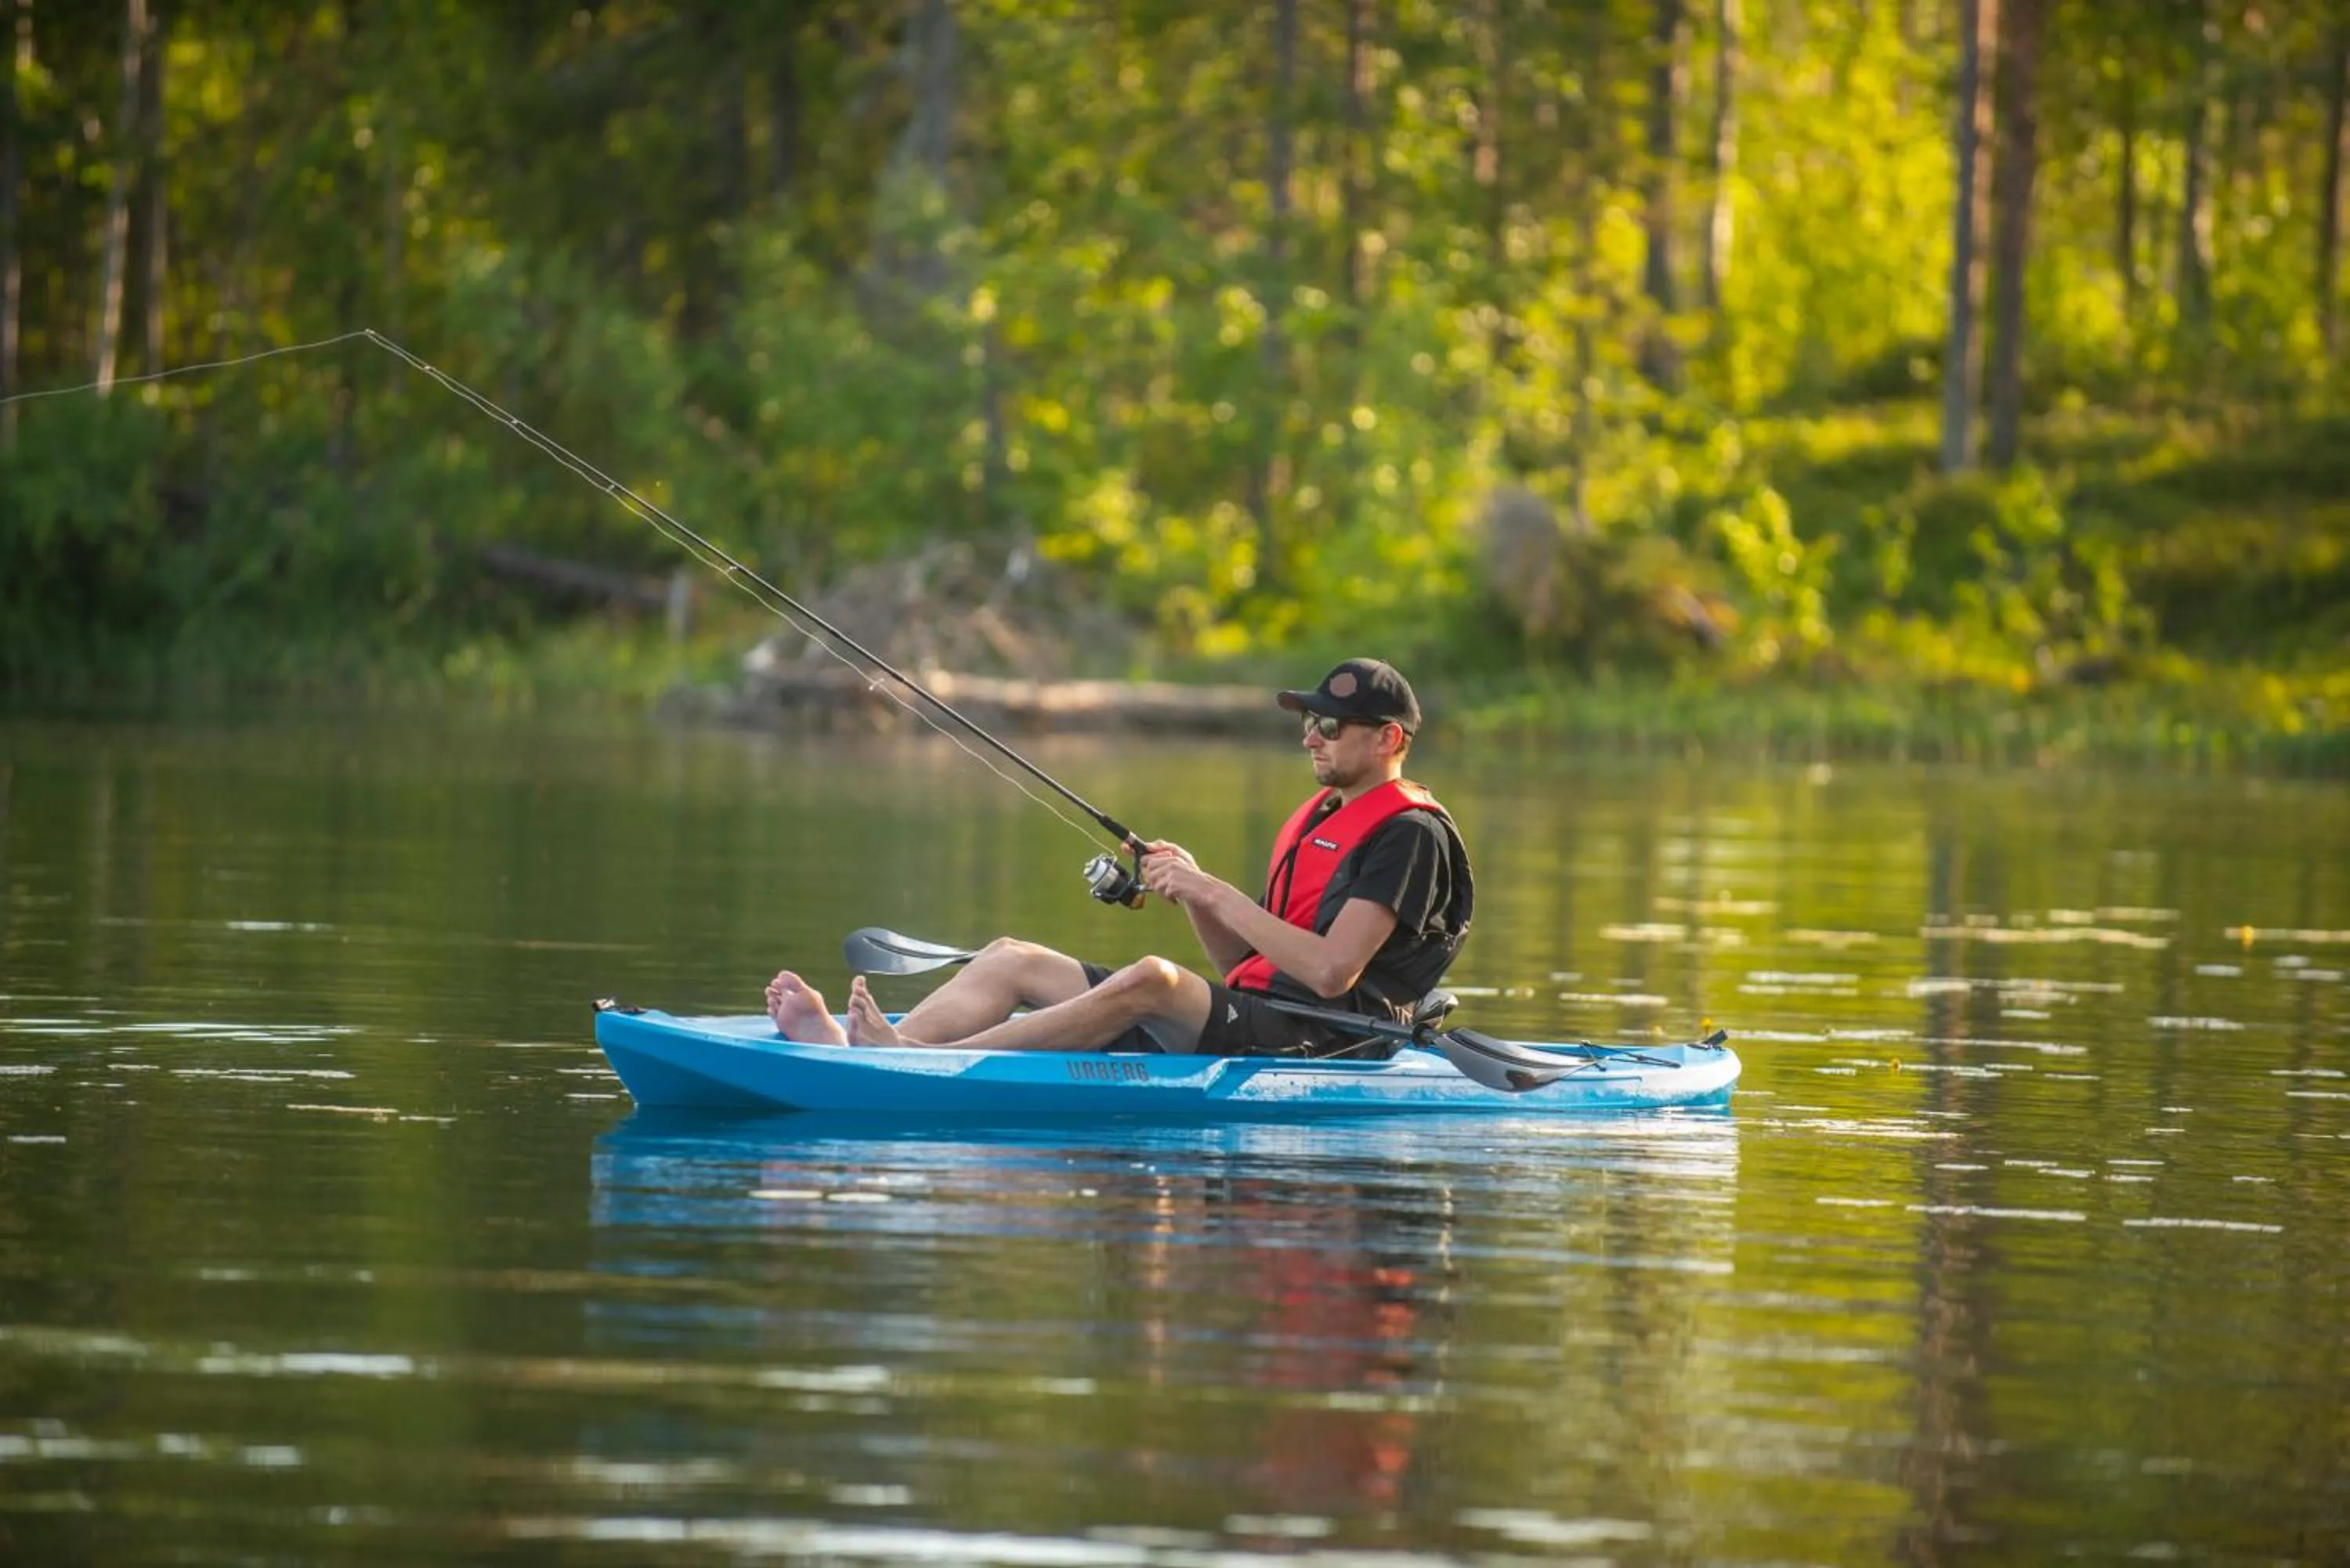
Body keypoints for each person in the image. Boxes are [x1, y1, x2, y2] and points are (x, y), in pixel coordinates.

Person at [764, 657, 1476, 1057]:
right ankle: (866, 1047)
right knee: (1013, 955)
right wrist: (1194, 894)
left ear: (1387, 739)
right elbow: (1244, 971)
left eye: (1328, 725)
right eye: (1307, 723)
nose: (1310, 738)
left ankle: (924, 1066)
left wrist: (1216, 890)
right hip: (1262, 1016)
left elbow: (1328, 974)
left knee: (1154, 979)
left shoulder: (1410, 835)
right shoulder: (1325, 817)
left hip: (1329, 1040)